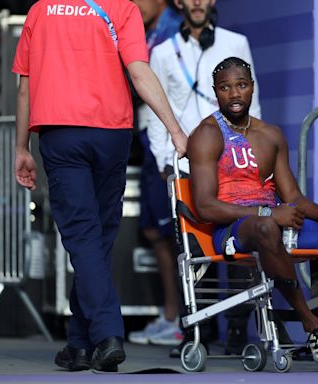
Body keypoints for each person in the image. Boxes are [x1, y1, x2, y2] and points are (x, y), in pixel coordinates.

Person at [12, 0, 187, 372]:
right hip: (112, 134)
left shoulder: (40, 11)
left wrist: (21, 147)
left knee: (83, 237)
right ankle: (78, 344)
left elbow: (25, 87)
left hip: (61, 134)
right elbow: (139, 72)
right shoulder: (123, 9)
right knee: (98, 238)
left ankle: (108, 334)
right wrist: (175, 130)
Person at [187, 56, 318, 364]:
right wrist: (268, 215)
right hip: (236, 231)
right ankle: (312, 324)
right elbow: (205, 206)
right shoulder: (206, 134)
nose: (234, 94)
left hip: (280, 227)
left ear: (252, 88)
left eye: (241, 86)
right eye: (225, 88)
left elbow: (293, 196)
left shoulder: (270, 135)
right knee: (266, 228)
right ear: (215, 92)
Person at [146, 0, 261, 355]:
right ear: (179, 3)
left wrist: (251, 154)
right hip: (184, 163)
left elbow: (253, 105)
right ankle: (200, 329)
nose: (197, 2)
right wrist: (166, 160)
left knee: (239, 241)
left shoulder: (234, 42)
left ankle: (238, 330)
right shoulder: (164, 51)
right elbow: (154, 111)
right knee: (192, 246)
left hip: (233, 161)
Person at [126, 0, 184, 347]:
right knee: (153, 229)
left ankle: (178, 318)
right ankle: (169, 314)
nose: (131, 5)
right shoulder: (148, 30)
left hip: (167, 139)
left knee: (173, 232)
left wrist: (171, 142)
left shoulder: (173, 30)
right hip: (149, 137)